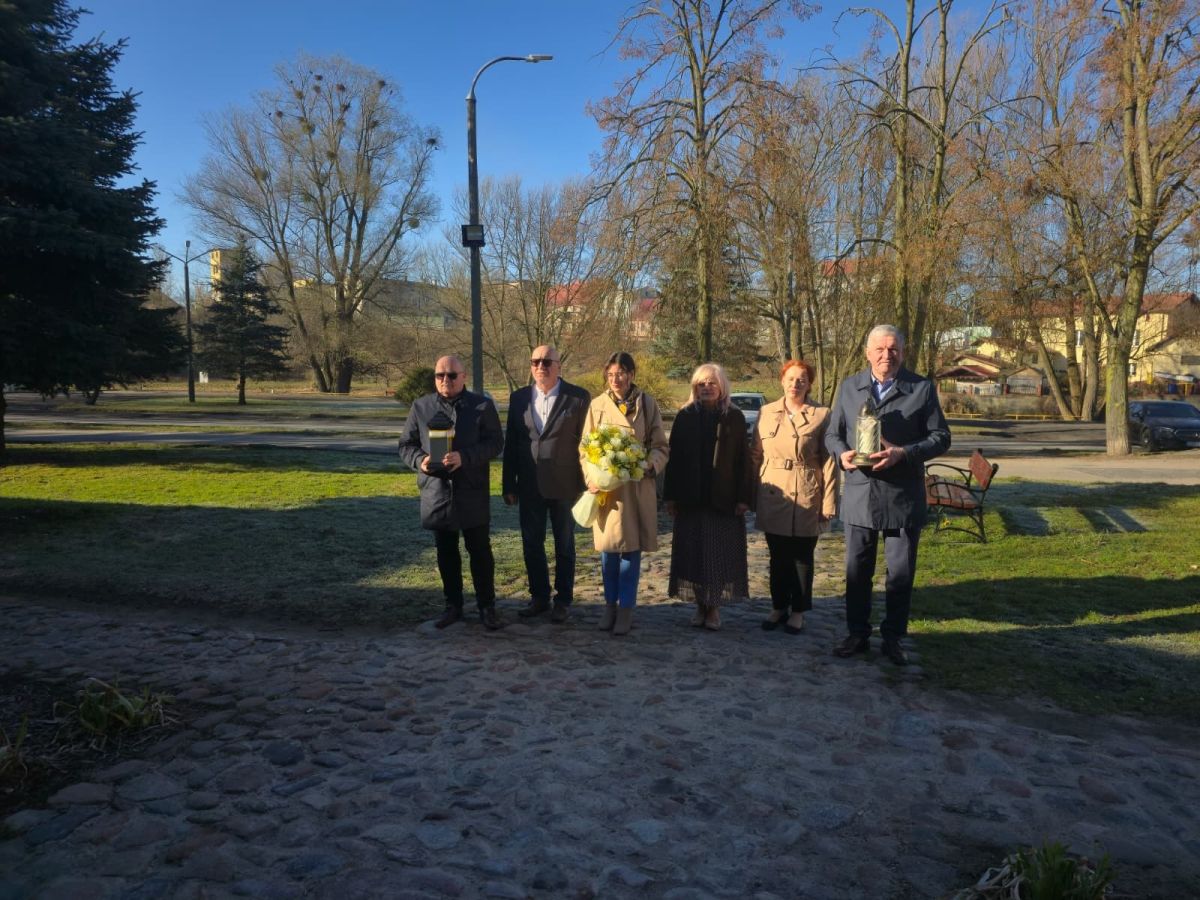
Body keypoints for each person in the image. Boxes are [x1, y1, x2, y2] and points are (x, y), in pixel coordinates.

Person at [825, 325, 951, 665]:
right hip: (860, 494)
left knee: (900, 574)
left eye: (893, 349)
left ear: (903, 353)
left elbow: (941, 437)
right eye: (879, 349)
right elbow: (832, 435)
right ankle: (857, 633)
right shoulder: (849, 387)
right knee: (857, 571)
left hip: (902, 496)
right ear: (867, 353)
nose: (886, 355)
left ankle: (894, 637)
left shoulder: (921, 388)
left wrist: (904, 453)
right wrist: (841, 455)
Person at [399, 354, 505, 631]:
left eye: (452, 375)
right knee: (446, 551)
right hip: (437, 491)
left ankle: (487, 606)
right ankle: (453, 606)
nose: (445, 380)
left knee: (479, 551)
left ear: (463, 377)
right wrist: (420, 460)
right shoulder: (421, 406)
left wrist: (465, 457)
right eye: (440, 375)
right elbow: (406, 445)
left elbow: (495, 443)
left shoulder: (481, 406)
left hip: (472, 490)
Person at [580, 351, 669, 636]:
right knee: (608, 551)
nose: (615, 379)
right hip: (608, 491)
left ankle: (626, 608)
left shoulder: (648, 404)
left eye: (620, 373)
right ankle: (610, 605)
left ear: (631, 374)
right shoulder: (597, 405)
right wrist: (592, 478)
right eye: (610, 374)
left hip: (636, 487)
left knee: (631, 549)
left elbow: (660, 445)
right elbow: (585, 448)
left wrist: (649, 465)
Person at [502, 345, 591, 624]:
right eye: (535, 362)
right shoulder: (519, 398)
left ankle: (563, 600)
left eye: (547, 361)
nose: (541, 366)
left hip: (565, 484)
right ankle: (539, 597)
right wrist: (509, 484)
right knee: (532, 543)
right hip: (529, 484)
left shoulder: (577, 397)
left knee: (564, 544)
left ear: (558, 365)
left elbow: (587, 443)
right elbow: (512, 443)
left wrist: (587, 482)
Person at [751, 359, 837, 635]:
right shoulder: (766, 412)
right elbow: (755, 456)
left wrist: (829, 502)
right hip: (773, 492)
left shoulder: (822, 415)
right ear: (782, 381)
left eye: (802, 379)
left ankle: (798, 611)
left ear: (809, 384)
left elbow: (829, 462)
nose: (795, 384)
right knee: (777, 556)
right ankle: (778, 606)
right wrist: (749, 494)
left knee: (802, 557)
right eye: (790, 378)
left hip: (807, 491)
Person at [662, 363, 751, 631]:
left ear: (721, 386)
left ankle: (714, 608)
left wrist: (744, 498)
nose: (706, 388)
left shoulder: (734, 417)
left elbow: (744, 461)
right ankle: (700, 605)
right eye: (701, 384)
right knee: (694, 554)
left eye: (712, 383)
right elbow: (674, 460)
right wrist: (671, 497)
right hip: (690, 499)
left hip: (723, 500)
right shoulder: (685, 416)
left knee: (717, 555)